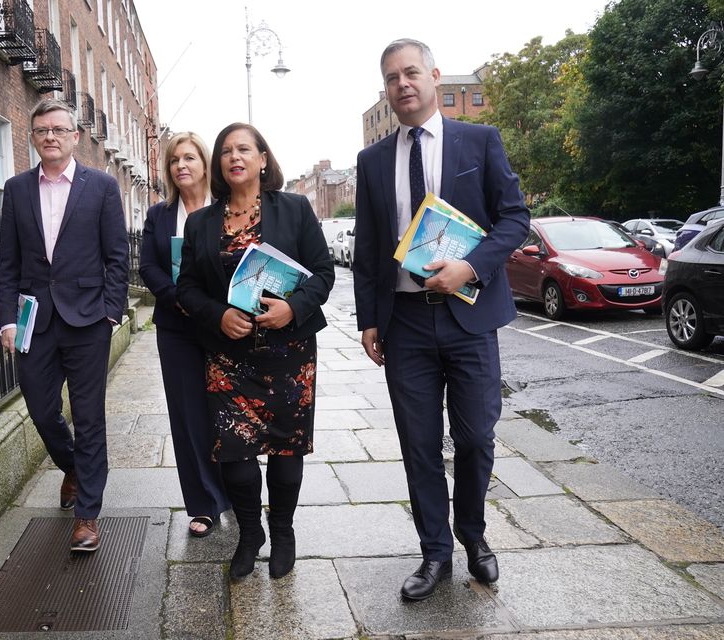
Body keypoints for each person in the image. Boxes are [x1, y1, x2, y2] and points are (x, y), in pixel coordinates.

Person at [352, 39, 529, 600]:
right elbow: (371, 245)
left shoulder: (479, 140)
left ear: (432, 77)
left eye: (410, 73)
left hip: (469, 319)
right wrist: (368, 320)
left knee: (476, 436)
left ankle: (473, 535)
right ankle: (435, 553)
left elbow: (515, 218)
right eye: (390, 78)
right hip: (404, 321)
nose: (402, 84)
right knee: (419, 444)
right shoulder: (373, 160)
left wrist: (469, 268)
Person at [176, 123, 334, 579]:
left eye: (244, 148)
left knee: (287, 455)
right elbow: (185, 286)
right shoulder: (201, 222)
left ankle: (282, 532)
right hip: (228, 357)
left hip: (289, 352)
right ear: (219, 165)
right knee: (236, 457)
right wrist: (216, 315)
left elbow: (323, 274)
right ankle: (250, 534)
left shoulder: (295, 209)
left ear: (263, 158)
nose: (234, 157)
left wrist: (293, 308)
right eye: (226, 151)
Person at [0, 98, 129, 553]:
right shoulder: (15, 190)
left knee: (89, 417)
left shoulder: (102, 187)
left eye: (58, 129)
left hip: (88, 319)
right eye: (41, 130)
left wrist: (112, 311)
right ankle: (73, 467)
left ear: (75, 136)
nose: (49, 136)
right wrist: (8, 321)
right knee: (41, 410)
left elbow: (117, 256)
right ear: (32, 138)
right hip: (36, 322)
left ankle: (87, 514)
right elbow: (7, 265)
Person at [139, 132, 231, 537]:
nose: (182, 166)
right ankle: (203, 504)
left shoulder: (225, 210)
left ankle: (237, 493)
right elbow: (147, 266)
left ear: (205, 164)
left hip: (222, 324)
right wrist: (177, 296)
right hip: (176, 327)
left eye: (190, 158)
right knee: (187, 416)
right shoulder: (160, 215)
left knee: (227, 411)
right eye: (175, 159)